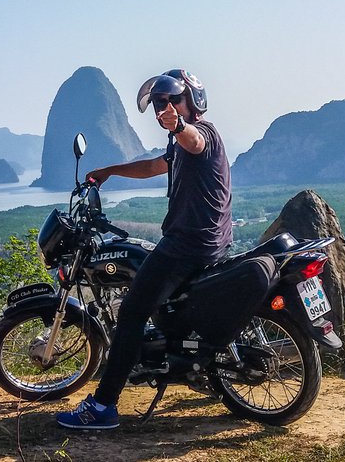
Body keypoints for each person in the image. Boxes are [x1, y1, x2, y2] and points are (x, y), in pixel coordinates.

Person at [56, 69, 233, 430]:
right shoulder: (177, 146)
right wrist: (109, 171)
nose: (164, 108)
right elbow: (156, 165)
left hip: (187, 245)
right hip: (206, 242)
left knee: (133, 312)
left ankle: (103, 406)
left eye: (172, 100)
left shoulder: (204, 134)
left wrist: (179, 125)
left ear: (193, 102)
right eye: (159, 103)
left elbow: (194, 140)